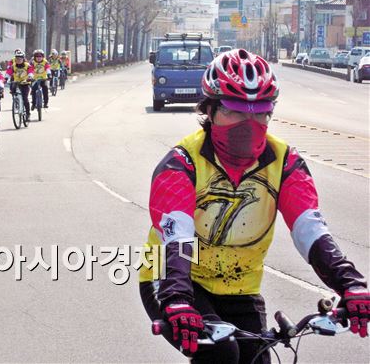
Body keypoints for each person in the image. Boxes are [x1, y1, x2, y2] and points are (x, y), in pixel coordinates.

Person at [139, 49, 369, 363]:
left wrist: (351, 284)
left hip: (238, 288)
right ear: (210, 110)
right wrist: (178, 300)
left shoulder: (285, 162)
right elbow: (177, 236)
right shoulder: (181, 164)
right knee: (221, 354)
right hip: (173, 279)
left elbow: (310, 230)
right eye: (235, 111)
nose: (249, 123)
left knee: (256, 358)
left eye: (260, 112)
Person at [5, 49, 34, 119]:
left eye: (20, 58)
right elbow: (8, 73)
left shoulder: (27, 65)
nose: (18, 60)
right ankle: (16, 102)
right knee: (13, 90)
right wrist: (6, 79)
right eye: (17, 58)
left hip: (25, 83)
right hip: (17, 82)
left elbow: (31, 72)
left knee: (25, 98)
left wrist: (30, 77)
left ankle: (28, 114)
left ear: (23, 59)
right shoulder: (13, 66)